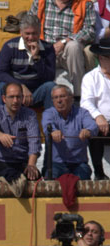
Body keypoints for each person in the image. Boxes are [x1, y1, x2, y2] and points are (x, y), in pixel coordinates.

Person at [0, 82, 41, 197]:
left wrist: (31, 165)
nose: (15, 101)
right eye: (11, 97)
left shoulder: (30, 115)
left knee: (34, 178)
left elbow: (34, 141)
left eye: (18, 97)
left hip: (21, 162)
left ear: (22, 98)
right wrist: (0, 135)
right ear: (4, 98)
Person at [29, 0, 95, 96]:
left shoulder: (85, 4)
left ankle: (78, 95)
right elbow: (29, 23)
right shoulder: (40, 2)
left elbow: (90, 31)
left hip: (68, 51)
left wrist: (65, 41)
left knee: (73, 46)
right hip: (45, 49)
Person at [0, 13, 56, 109]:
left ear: (40, 32)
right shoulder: (10, 46)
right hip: (15, 93)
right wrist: (20, 86)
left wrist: (36, 58)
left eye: (34, 33)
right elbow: (0, 73)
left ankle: (51, 122)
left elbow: (49, 77)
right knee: (0, 87)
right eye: (27, 33)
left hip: (36, 93)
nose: (31, 37)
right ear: (21, 32)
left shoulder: (48, 48)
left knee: (51, 86)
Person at [42, 84, 98, 179]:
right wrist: (53, 132)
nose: (59, 100)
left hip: (78, 163)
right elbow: (47, 125)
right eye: (55, 98)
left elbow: (93, 126)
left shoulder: (82, 113)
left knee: (84, 184)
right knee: (50, 185)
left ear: (71, 97)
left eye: (62, 96)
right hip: (56, 164)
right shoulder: (48, 113)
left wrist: (87, 131)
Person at [81, 38, 110, 180]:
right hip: (101, 124)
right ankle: (99, 172)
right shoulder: (90, 77)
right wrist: (98, 116)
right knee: (93, 128)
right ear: (100, 57)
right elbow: (86, 102)